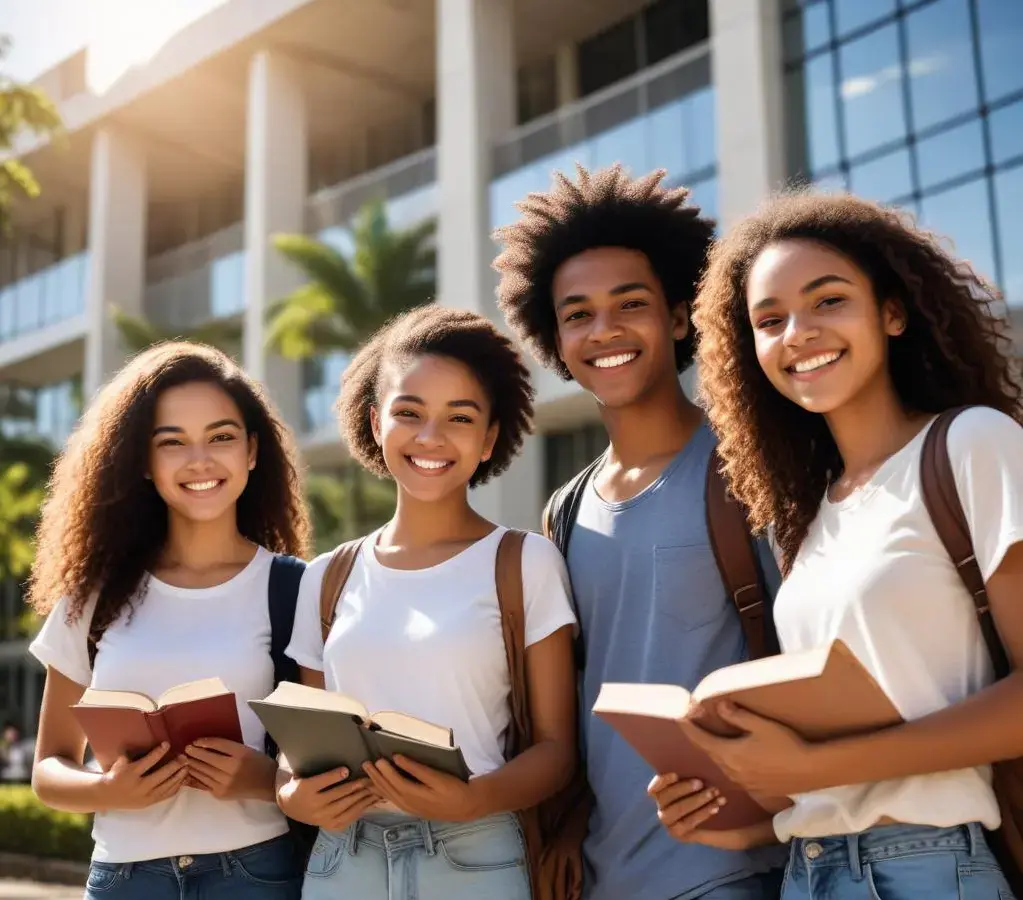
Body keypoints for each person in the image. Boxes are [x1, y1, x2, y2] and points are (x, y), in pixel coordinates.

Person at [650, 191, 1023, 900]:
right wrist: (749, 816)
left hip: (930, 871)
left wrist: (811, 770)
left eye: (826, 301)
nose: (797, 332)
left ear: (891, 311)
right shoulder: (810, 516)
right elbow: (848, 758)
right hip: (811, 870)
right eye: (769, 320)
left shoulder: (971, 444)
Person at [492, 163, 784, 900]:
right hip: (597, 873)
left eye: (630, 304)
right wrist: (569, 823)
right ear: (555, 340)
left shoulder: (746, 470)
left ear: (679, 316)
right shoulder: (563, 510)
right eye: (577, 314)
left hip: (728, 869)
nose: (604, 330)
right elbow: (592, 696)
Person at [277, 305, 578, 900]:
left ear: (490, 436)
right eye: (408, 413)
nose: (431, 438)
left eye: (459, 417)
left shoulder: (524, 563)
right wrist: (292, 792)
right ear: (375, 421)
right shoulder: (326, 577)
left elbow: (556, 752)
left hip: (475, 857)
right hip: (343, 862)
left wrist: (474, 798)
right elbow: (301, 745)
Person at [28, 342, 311, 900]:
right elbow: (49, 768)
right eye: (172, 443)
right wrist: (110, 788)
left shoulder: (297, 587)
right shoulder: (93, 596)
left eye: (222, 437)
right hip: (123, 881)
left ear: (252, 451)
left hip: (258, 874)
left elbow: (330, 761)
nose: (199, 460)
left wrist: (258, 777)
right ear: (143, 462)